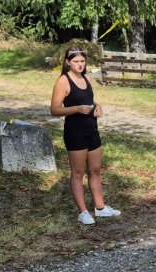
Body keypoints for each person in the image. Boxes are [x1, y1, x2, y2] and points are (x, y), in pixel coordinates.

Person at [50, 47, 120, 225]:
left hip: (92, 129)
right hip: (75, 132)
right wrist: (77, 109)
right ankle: (83, 212)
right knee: (78, 172)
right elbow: (54, 109)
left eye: (82, 61)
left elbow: (88, 99)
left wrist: (98, 105)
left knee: (95, 170)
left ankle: (101, 208)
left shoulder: (87, 78)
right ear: (67, 62)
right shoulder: (63, 82)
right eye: (76, 62)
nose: (80, 65)